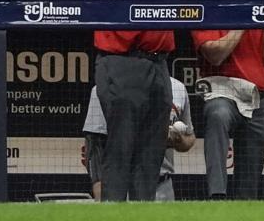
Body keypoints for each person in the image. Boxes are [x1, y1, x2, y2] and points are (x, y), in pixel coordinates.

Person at [90, 0, 209, 201]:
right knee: (121, 145)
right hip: (122, 63)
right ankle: (115, 213)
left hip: (158, 66)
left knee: (152, 147)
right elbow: (121, 3)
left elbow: (163, 7)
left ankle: (144, 212)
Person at [191, 0, 264, 199]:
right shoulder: (207, 6)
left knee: (249, 184)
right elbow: (215, 54)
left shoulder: (259, 7)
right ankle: (217, 196)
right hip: (223, 91)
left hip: (258, 98)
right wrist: (245, 19)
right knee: (217, 113)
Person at [82, 74, 194, 202]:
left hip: (162, 185)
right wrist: (100, 190)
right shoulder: (104, 89)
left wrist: (178, 140)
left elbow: (189, 137)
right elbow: (94, 144)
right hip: (120, 188)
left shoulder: (177, 87)